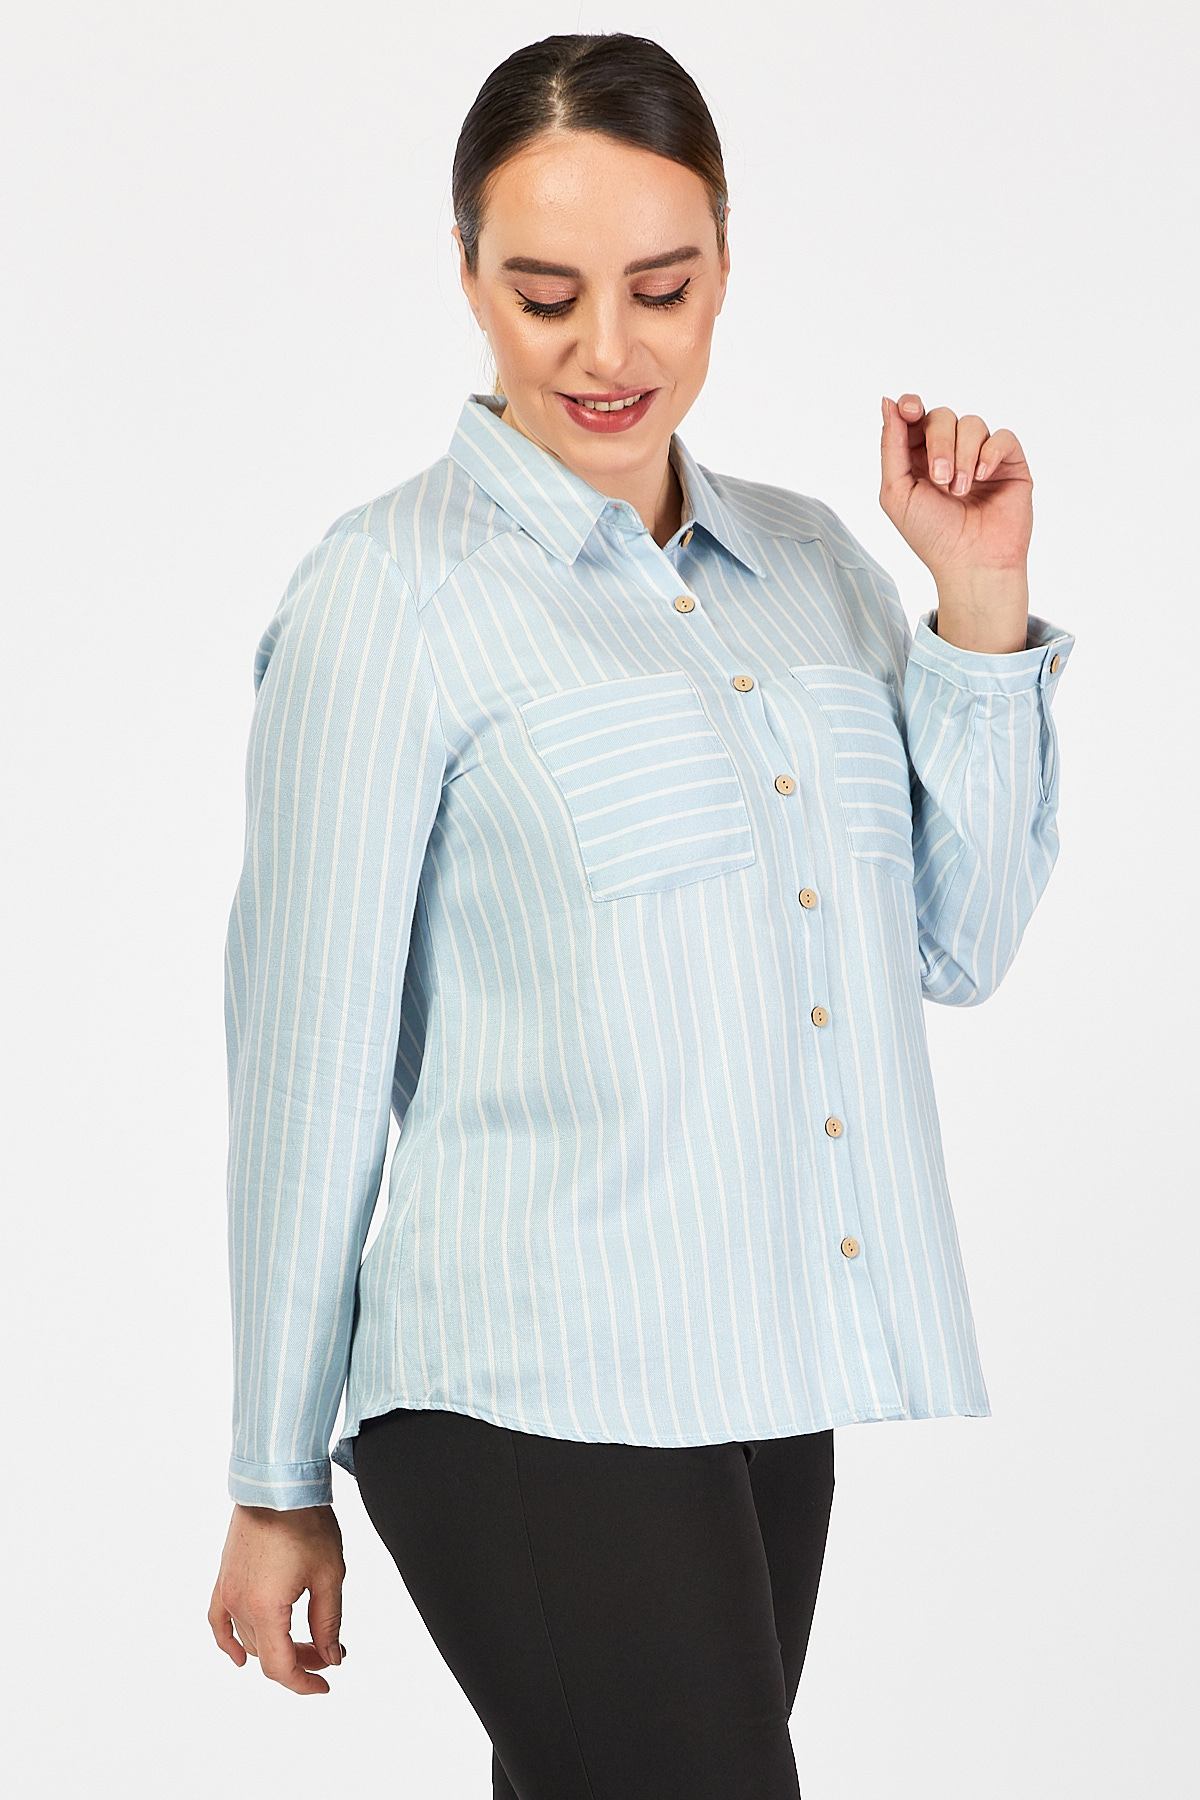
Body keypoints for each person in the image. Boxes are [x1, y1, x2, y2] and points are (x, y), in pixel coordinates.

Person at [207, 30, 1073, 1800]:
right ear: (468, 279)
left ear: (726, 267)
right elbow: (306, 1059)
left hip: (760, 1379)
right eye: (545, 296)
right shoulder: (388, 599)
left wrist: (977, 607)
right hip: (522, 1385)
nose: (607, 350)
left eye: (661, 289)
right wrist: (274, 1472)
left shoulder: (815, 568)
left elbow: (957, 942)